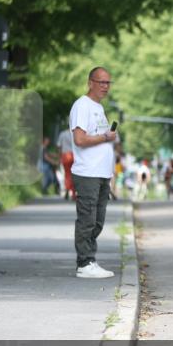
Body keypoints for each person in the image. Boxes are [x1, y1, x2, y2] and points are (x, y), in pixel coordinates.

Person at [69, 67, 118, 279]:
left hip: (101, 173)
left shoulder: (98, 107)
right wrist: (106, 137)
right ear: (90, 83)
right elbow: (80, 139)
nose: (105, 86)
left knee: (97, 221)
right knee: (87, 219)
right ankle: (84, 263)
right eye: (101, 82)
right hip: (87, 172)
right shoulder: (82, 105)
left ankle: (90, 260)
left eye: (108, 83)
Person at [57, 125, 76, 200]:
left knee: (67, 174)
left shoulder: (62, 134)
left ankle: (67, 189)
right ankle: (73, 193)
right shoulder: (75, 133)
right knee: (74, 174)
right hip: (74, 156)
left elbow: (59, 146)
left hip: (65, 156)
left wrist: (59, 157)